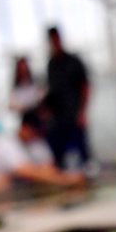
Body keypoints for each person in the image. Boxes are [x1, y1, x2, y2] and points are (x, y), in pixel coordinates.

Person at [0, 111, 84, 196]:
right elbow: (28, 172)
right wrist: (65, 180)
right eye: (32, 131)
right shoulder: (5, 143)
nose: (33, 135)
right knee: (2, 182)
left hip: (10, 191)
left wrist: (66, 177)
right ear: (24, 127)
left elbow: (48, 168)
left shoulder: (35, 143)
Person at [45, 26, 90, 171]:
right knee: (60, 153)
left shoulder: (73, 61)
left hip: (74, 114)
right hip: (59, 118)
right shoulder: (51, 65)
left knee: (81, 150)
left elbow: (85, 85)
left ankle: (87, 174)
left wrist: (83, 111)